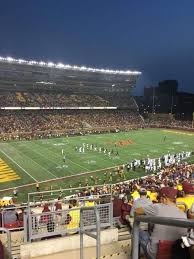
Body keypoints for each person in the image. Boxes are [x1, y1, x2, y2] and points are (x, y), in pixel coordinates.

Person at [136, 187, 187, 259]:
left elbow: (137, 210)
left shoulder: (157, 207)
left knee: (136, 230)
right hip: (176, 255)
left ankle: (135, 255)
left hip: (156, 254)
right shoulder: (183, 214)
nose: (159, 200)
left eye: (160, 198)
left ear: (164, 198)